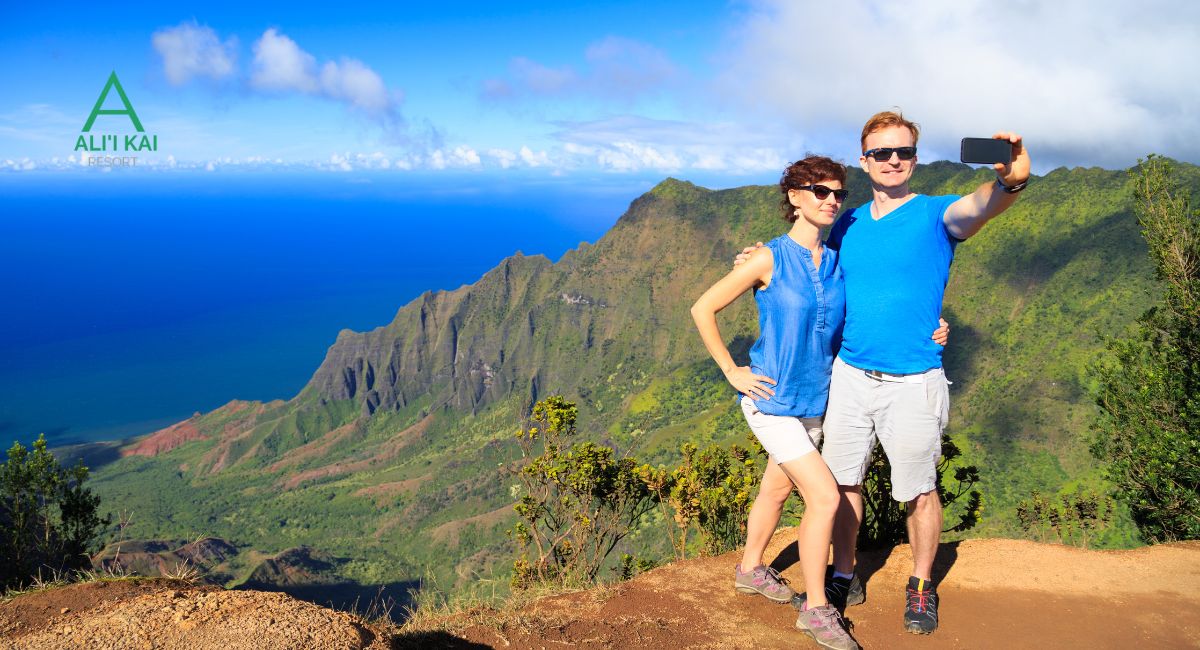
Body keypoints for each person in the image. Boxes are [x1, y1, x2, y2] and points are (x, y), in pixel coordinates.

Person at [738, 111, 1030, 636]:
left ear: (915, 158)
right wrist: (754, 259)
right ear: (864, 159)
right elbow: (802, 267)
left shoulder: (937, 215)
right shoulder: (844, 222)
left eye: (902, 152)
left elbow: (985, 203)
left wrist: (1012, 177)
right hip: (848, 374)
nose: (892, 161)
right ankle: (844, 572)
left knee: (918, 488)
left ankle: (920, 585)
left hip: (913, 379)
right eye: (880, 153)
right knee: (844, 481)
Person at [692, 155, 949, 650]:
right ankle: (815, 609)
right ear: (793, 197)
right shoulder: (768, 258)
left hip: (817, 401)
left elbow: (890, 298)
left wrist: (933, 326)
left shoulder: (837, 259)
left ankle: (749, 568)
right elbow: (703, 307)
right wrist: (732, 371)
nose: (831, 200)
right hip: (770, 400)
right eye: (818, 191)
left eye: (838, 193)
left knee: (777, 490)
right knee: (826, 497)